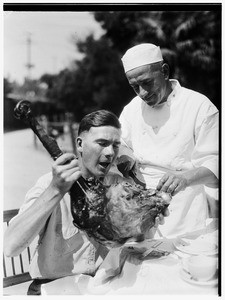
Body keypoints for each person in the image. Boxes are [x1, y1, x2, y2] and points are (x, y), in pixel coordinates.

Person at [4, 109, 166, 294]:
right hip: (53, 288)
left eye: (115, 145)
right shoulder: (50, 184)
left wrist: (146, 218)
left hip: (101, 286)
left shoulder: (118, 184)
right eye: (102, 143)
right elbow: (11, 247)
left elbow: (135, 242)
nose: (110, 152)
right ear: (80, 144)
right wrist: (55, 190)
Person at [118, 43, 219, 238]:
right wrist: (125, 160)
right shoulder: (132, 109)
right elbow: (120, 145)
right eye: (134, 87)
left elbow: (216, 166)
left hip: (186, 211)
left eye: (147, 83)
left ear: (164, 71)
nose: (142, 93)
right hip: (139, 209)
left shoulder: (199, 106)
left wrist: (184, 178)